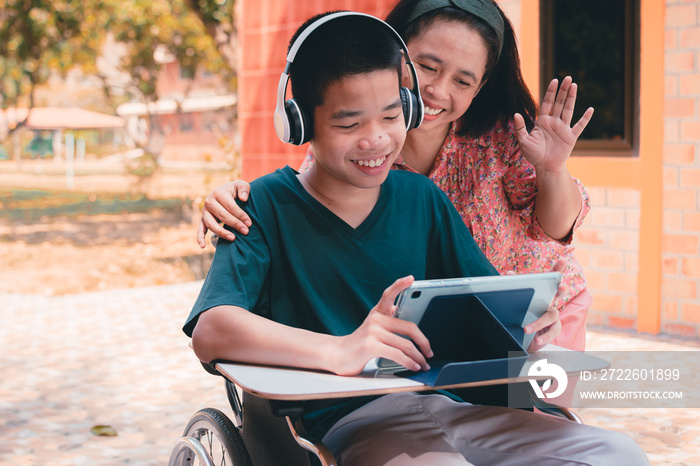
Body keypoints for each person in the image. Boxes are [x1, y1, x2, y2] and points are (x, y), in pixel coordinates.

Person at [185, 11, 648, 465]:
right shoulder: (262, 207)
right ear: (299, 123)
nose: (377, 140)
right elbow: (211, 329)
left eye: (391, 115)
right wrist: (342, 349)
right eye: (349, 124)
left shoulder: (421, 198)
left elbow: (489, 308)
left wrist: (526, 325)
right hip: (355, 422)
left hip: (454, 407)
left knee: (618, 453)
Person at [196, 0, 594, 353]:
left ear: (480, 86)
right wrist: (235, 197)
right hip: (438, 340)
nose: (437, 91)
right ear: (397, 56)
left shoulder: (504, 135)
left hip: (532, 312)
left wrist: (551, 169)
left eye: (463, 80)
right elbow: (303, 207)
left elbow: (555, 228)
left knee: (542, 425)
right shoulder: (350, 161)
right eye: (427, 67)